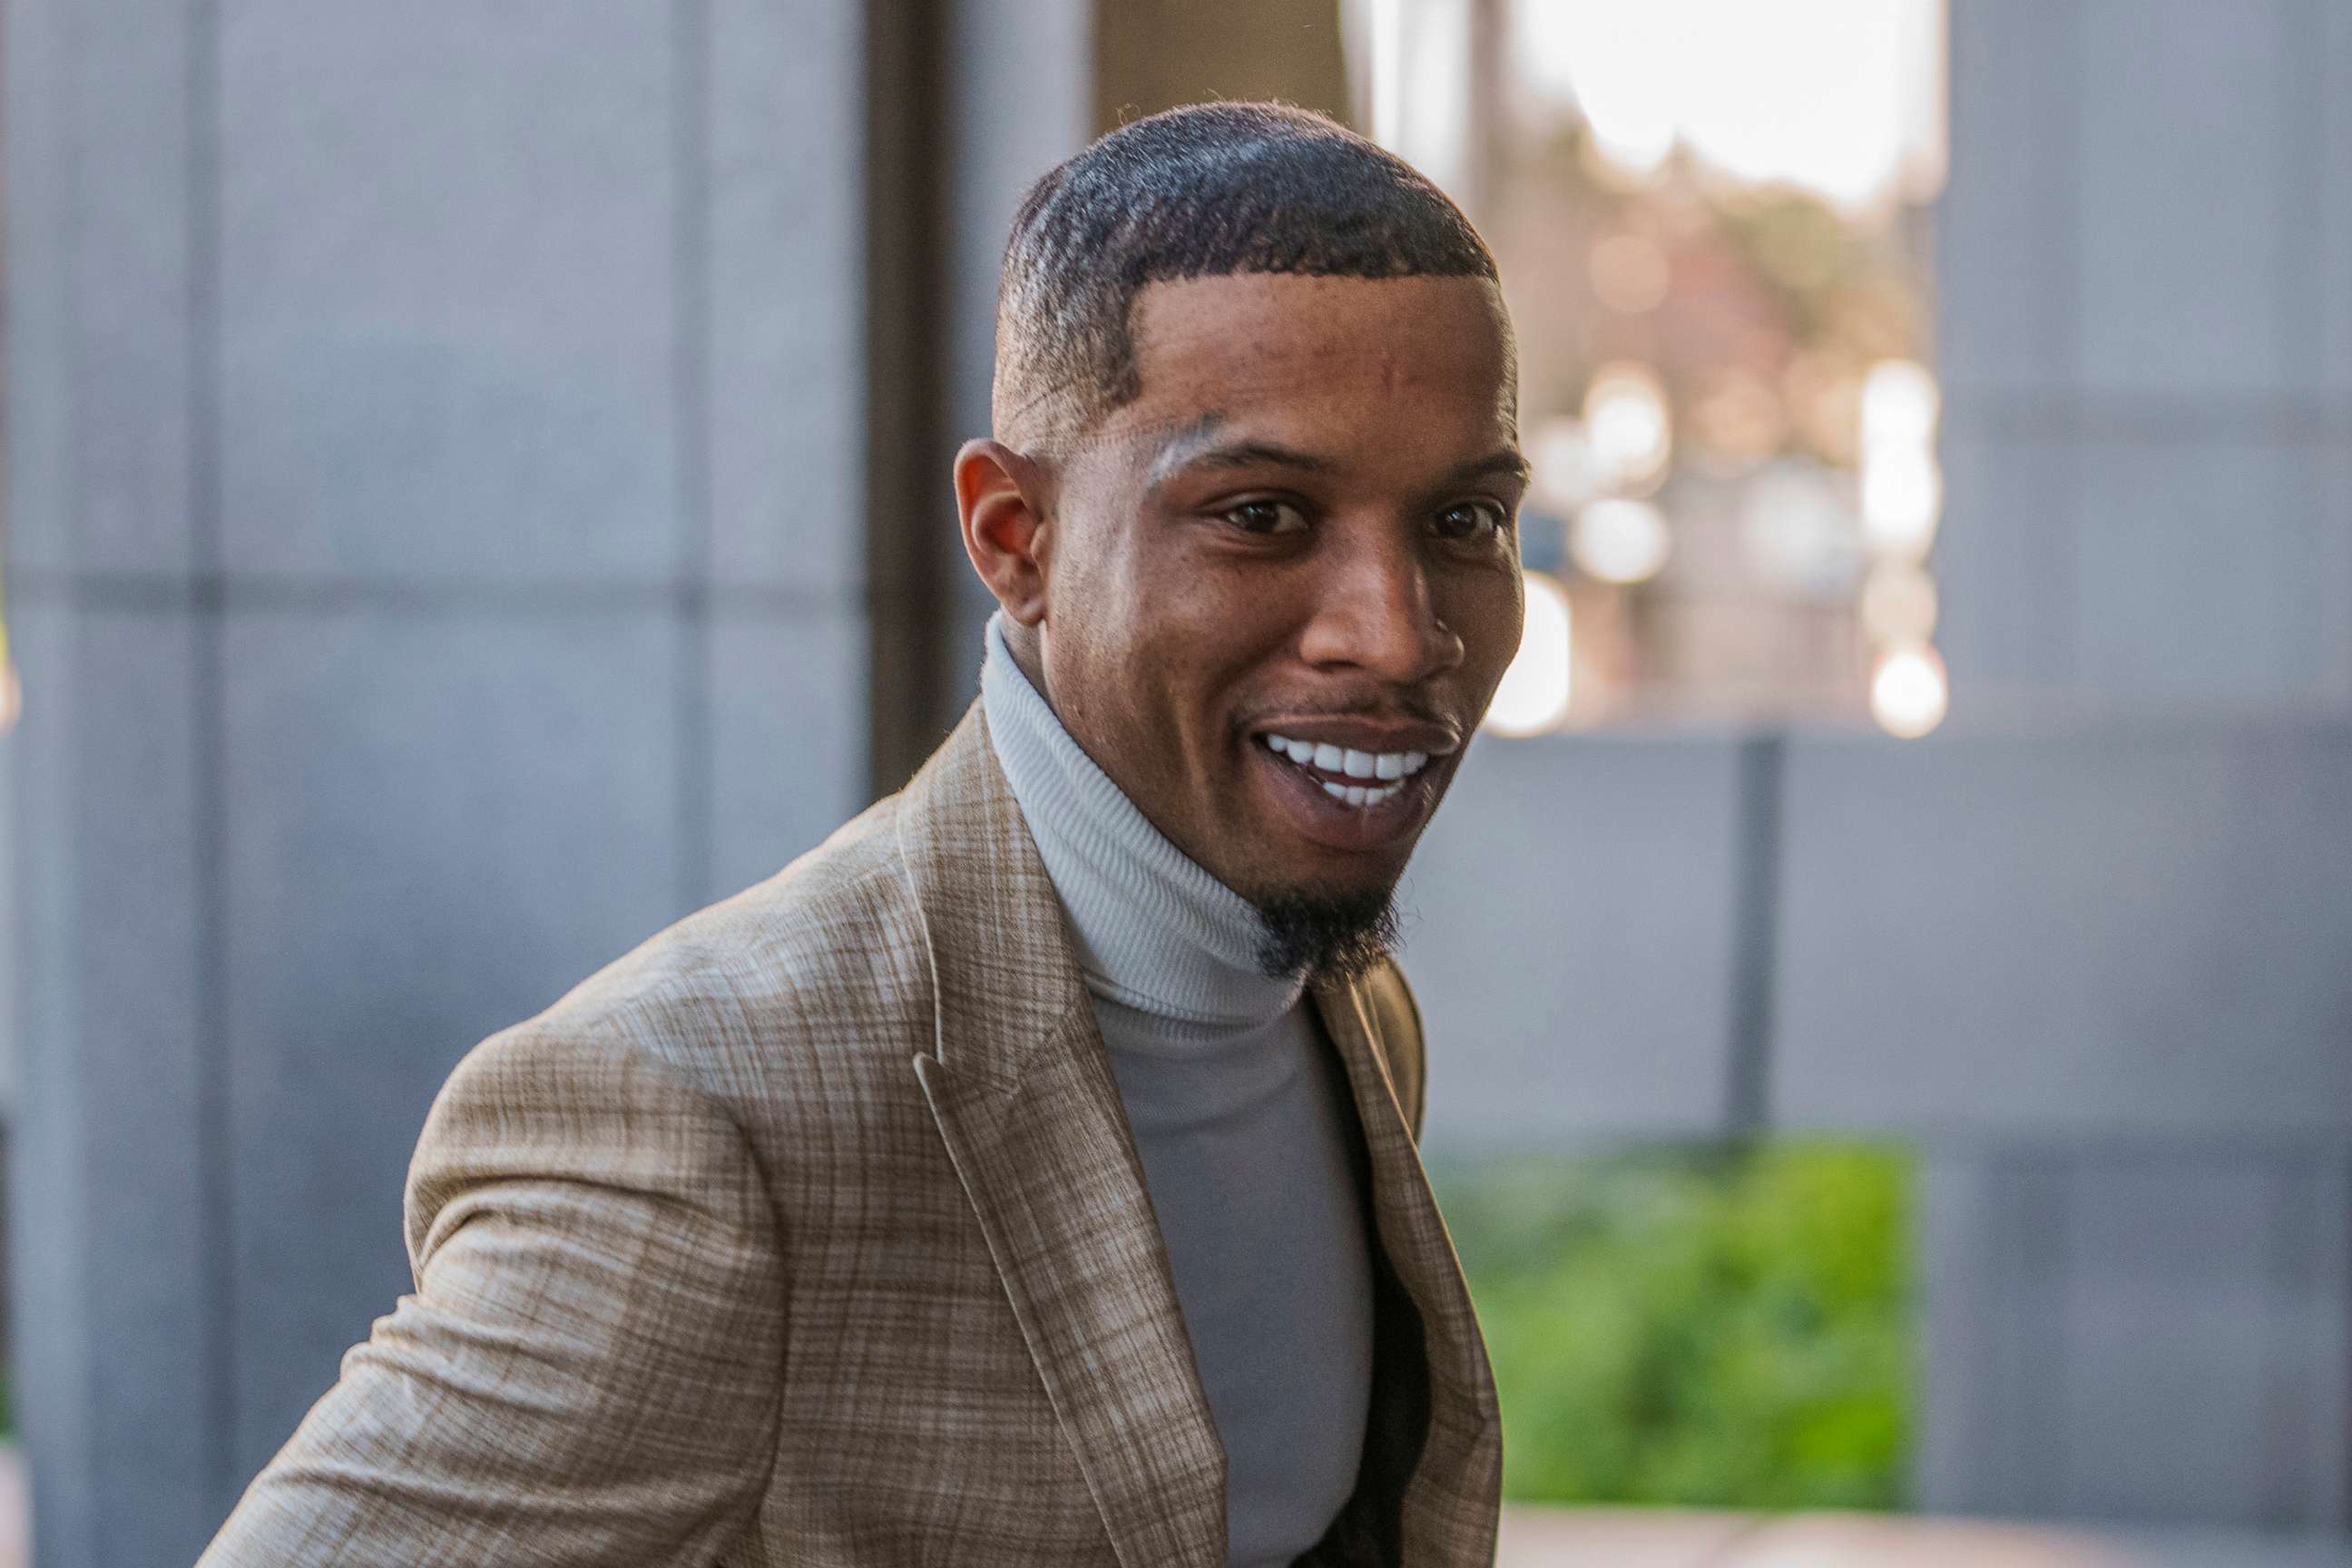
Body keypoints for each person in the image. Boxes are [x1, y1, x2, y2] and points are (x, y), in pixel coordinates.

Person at [200, 100, 1528, 1567]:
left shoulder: (1343, 1000)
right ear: (1018, 539)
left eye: (1463, 525)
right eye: (1265, 514)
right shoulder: (700, 1122)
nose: (1397, 635)